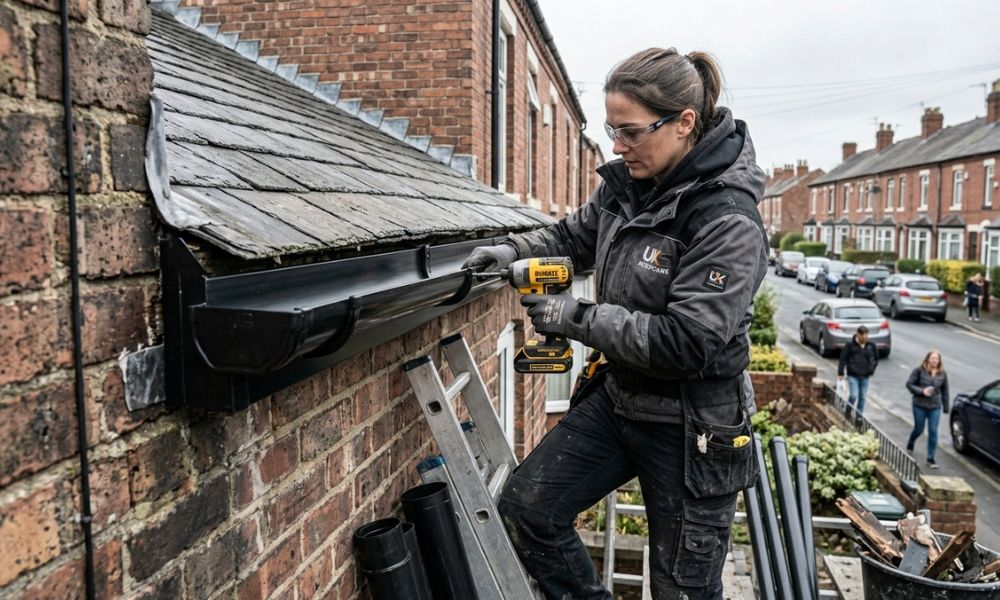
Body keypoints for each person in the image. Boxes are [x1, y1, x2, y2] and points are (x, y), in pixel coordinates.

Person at [462, 48, 767, 600]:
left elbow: (689, 340)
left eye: (629, 132)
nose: (617, 147)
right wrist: (510, 251)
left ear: (684, 123)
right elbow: (568, 239)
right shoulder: (627, 187)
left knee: (682, 589)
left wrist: (576, 317)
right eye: (611, 130)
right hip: (623, 399)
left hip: (693, 426)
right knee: (529, 508)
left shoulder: (727, 219)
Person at [905, 350, 950, 469]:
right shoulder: (919, 370)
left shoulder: (942, 373)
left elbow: (945, 390)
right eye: (933, 358)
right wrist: (922, 391)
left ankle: (931, 458)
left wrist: (946, 406)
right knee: (919, 429)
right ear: (928, 359)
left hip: (935, 406)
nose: (935, 360)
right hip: (919, 405)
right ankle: (911, 441)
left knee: (933, 431)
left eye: (937, 359)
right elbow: (909, 384)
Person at [837, 325, 878, 418]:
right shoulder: (850, 345)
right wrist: (840, 373)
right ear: (858, 335)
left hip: (865, 376)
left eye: (866, 336)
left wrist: (871, 370)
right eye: (862, 336)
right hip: (853, 375)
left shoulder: (871, 346)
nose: (865, 338)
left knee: (862, 397)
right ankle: (848, 410)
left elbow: (875, 359)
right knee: (854, 395)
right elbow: (843, 359)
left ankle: (859, 417)